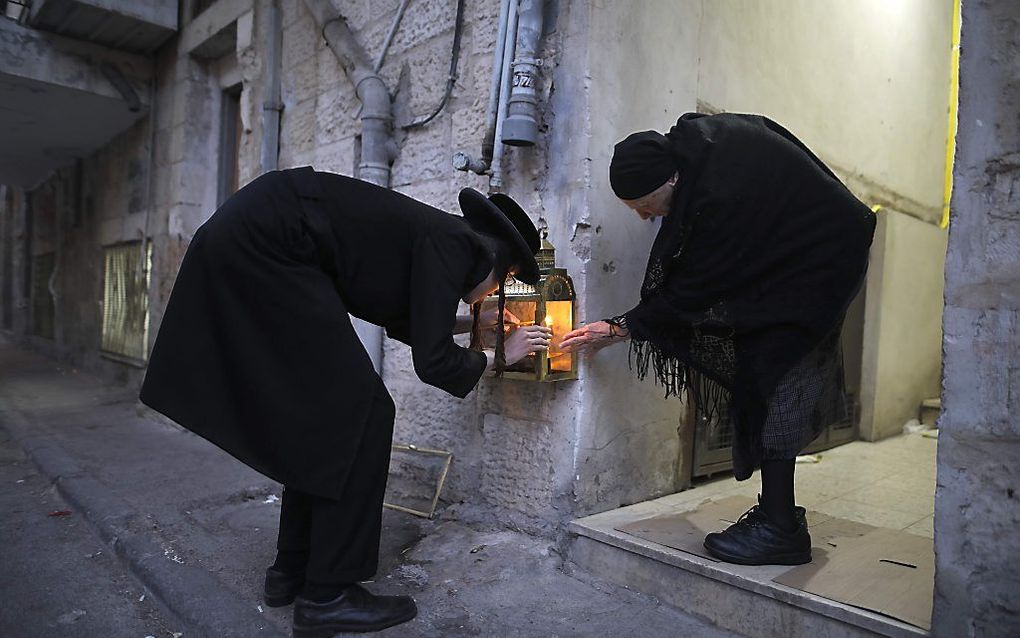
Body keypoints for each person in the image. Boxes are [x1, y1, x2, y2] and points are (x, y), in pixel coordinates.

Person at [139, 167, 551, 635]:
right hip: (274, 242)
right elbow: (432, 363)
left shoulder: (439, 237)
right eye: (503, 284)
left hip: (257, 236)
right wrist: (499, 354)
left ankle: (292, 570)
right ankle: (329, 594)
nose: (493, 297)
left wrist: (471, 327)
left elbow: (414, 322)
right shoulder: (457, 243)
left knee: (326, 413)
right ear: (502, 264)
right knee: (365, 413)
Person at [561, 113, 876, 566]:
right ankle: (778, 515)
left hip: (822, 264)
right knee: (763, 369)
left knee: (775, 373)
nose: (643, 215)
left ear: (669, 179)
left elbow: (696, 287)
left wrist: (619, 328)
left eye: (642, 203)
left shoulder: (718, 187)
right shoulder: (702, 149)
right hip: (798, 257)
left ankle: (781, 529)